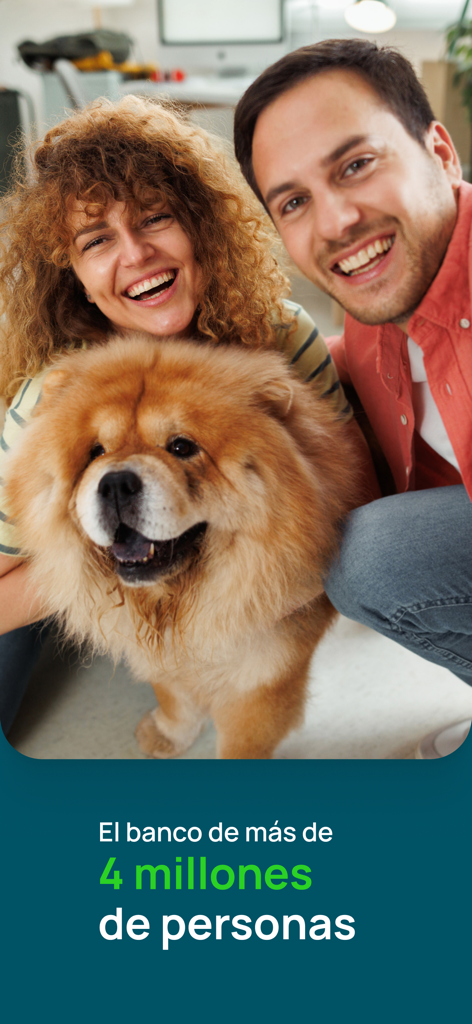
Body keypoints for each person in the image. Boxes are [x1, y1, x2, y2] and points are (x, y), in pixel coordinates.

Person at [0, 94, 355, 737]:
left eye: (155, 218)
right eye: (96, 239)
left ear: (199, 226)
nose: (134, 255)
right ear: (73, 272)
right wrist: (84, 571)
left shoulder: (279, 335)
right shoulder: (47, 401)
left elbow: (353, 483)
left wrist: (275, 563)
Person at [233, 38, 472, 758]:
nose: (336, 222)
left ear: (440, 152)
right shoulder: (374, 307)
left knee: (373, 556)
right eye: (296, 201)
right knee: (367, 550)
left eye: (356, 165)